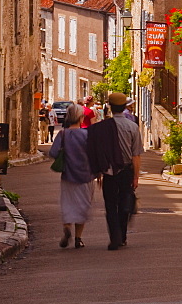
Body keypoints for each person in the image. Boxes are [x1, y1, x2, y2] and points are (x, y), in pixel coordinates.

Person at [87, 91, 142, 250]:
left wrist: (98, 172)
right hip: (126, 170)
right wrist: (136, 176)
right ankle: (122, 235)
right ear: (125, 106)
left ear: (110, 107)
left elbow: (96, 151)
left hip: (109, 171)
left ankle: (114, 237)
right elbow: (136, 155)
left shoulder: (102, 128)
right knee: (125, 202)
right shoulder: (132, 127)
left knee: (110, 205)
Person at [49, 103, 94, 249]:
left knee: (68, 204)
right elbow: (96, 156)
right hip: (86, 175)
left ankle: (67, 227)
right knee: (82, 206)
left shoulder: (62, 135)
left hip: (68, 175)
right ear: (81, 118)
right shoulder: (88, 135)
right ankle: (78, 238)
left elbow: (53, 153)